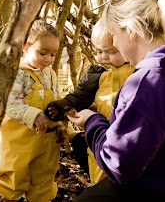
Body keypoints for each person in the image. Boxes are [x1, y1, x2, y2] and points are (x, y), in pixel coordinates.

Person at [66, 0, 165, 201]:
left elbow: (118, 165)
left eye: (115, 34)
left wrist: (92, 120)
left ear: (132, 30)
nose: (115, 43)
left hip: (152, 189)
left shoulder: (147, 81)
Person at [45, 20, 135, 185]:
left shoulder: (138, 73)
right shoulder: (99, 77)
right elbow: (78, 98)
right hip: (102, 137)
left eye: (111, 51)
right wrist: (62, 106)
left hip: (126, 141)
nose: (103, 57)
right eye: (99, 51)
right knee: (98, 171)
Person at [0, 19, 66, 202]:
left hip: (47, 141)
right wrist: (33, 115)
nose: (48, 59)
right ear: (25, 47)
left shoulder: (51, 74)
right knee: (13, 177)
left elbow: (57, 102)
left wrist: (63, 125)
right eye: (43, 53)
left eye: (53, 54)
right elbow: (10, 103)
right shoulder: (17, 73)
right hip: (19, 141)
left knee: (44, 178)